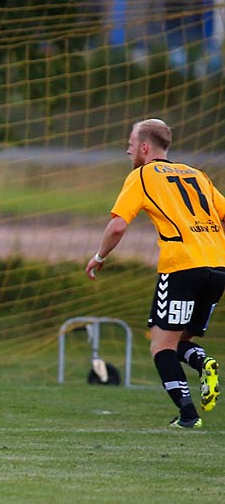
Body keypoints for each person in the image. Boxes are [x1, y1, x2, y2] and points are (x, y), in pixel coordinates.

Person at [85, 117, 225, 429]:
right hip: (217, 267)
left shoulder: (142, 176)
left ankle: (188, 415)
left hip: (181, 266)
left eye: (131, 145)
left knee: (161, 346)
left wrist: (99, 256)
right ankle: (203, 362)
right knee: (177, 342)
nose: (128, 151)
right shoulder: (196, 174)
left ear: (145, 147)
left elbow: (119, 225)